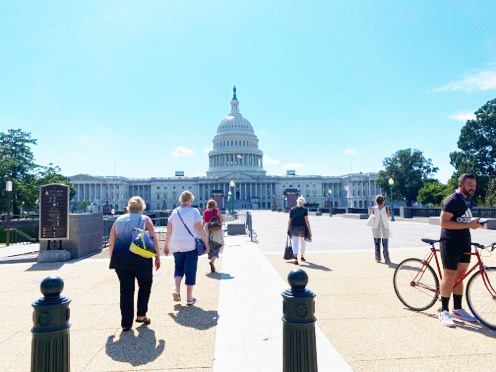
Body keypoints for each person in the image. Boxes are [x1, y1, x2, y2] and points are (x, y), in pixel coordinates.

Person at [109, 196, 161, 331]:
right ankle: (141, 315)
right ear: (142, 207)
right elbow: (153, 239)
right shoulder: (145, 219)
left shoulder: (118, 220)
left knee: (126, 290)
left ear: (129, 207)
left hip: (121, 258)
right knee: (145, 285)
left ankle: (126, 323)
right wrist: (157, 256)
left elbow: (112, 241)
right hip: (141, 258)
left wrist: (112, 258)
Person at [438, 173, 483, 327]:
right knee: (450, 275)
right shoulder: (452, 200)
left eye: (474, 185)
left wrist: (475, 223)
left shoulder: (467, 200)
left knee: (461, 275)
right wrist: (469, 225)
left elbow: (462, 220)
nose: (473, 187)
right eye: (470, 184)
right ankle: (444, 310)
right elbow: (444, 223)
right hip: (450, 242)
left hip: (464, 241)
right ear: (461, 185)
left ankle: (457, 308)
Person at [164, 191, 210, 306]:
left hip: (176, 244)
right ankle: (189, 298)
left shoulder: (174, 212)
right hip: (190, 245)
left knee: (178, 267)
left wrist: (166, 245)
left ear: (181, 200)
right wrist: (206, 243)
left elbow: (169, 230)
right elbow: (199, 228)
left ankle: (176, 290)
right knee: (190, 269)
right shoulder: (194, 211)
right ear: (190, 200)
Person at [287, 196, 312, 265]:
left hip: (294, 228)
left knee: (295, 243)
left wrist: (288, 229)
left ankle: (295, 258)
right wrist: (309, 229)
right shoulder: (304, 210)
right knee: (303, 243)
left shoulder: (292, 210)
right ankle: (302, 256)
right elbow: (306, 220)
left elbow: (290, 220)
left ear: (297, 202)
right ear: (303, 203)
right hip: (302, 228)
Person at [203, 199, 224, 273]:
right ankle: (212, 261)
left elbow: (204, 221)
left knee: (210, 246)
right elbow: (221, 220)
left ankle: (211, 258)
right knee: (218, 245)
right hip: (216, 230)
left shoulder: (205, 212)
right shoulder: (216, 210)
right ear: (214, 204)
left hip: (207, 230)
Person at [370, 195, 391, 265]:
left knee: (376, 244)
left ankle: (378, 258)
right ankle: (386, 259)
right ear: (383, 201)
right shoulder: (386, 208)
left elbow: (371, 216)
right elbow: (388, 216)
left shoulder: (373, 208)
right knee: (385, 245)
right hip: (384, 228)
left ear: (376, 202)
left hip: (376, 228)